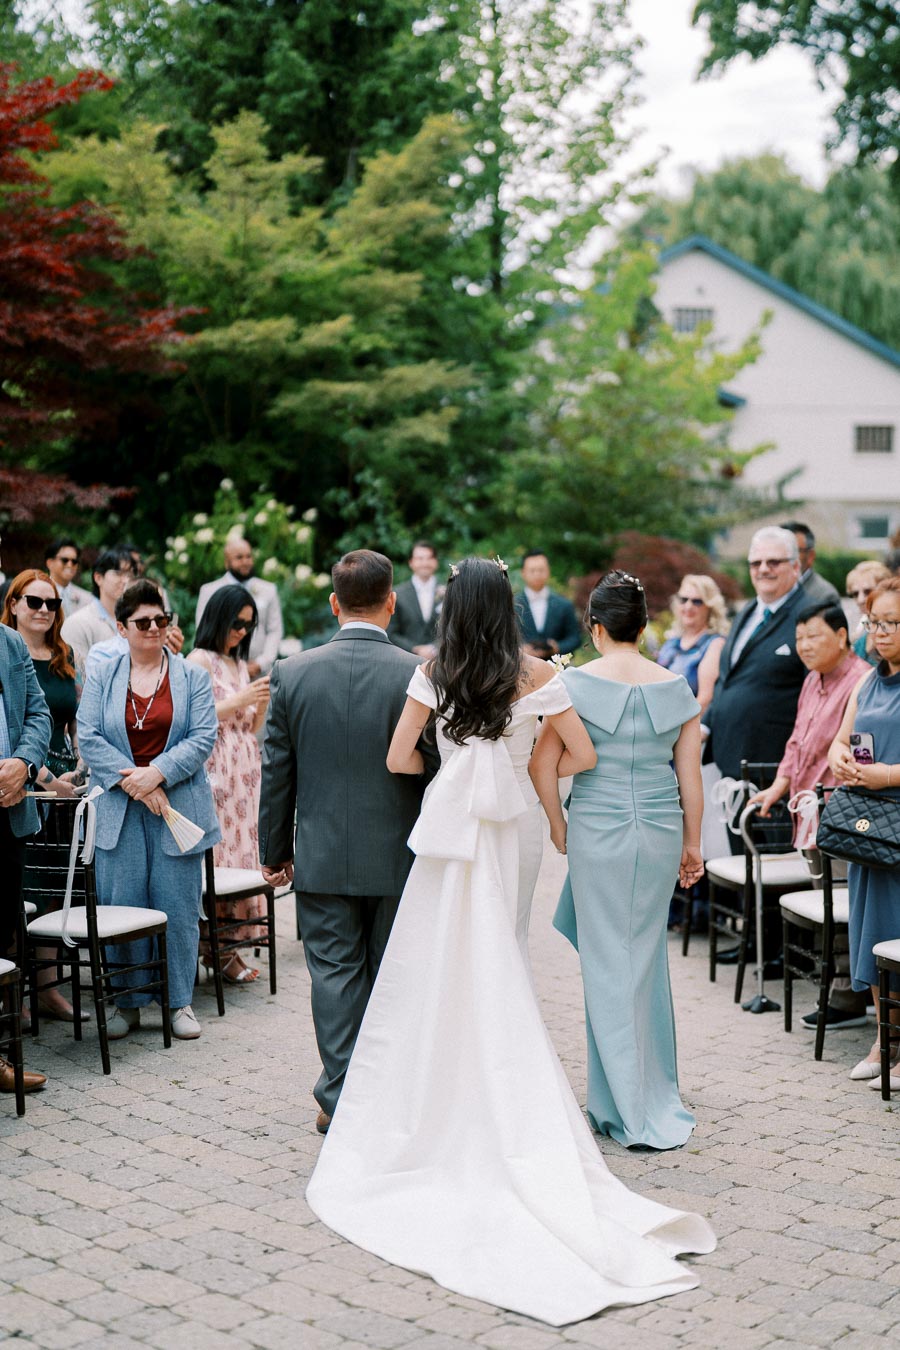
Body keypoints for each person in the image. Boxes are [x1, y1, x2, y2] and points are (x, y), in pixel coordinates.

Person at [305, 557, 714, 1324]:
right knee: (504, 950)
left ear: (453, 606)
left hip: (452, 827)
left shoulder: (433, 671)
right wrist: (521, 766)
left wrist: (451, 768)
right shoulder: (536, 673)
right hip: (514, 829)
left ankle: (441, 1076)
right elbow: (581, 757)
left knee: (438, 956)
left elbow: (399, 758)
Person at [259, 550, 436, 1133]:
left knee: (334, 975)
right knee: (392, 975)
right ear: (391, 602)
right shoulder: (419, 674)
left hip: (324, 853)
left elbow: (277, 770)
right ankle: (389, 1094)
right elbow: (434, 768)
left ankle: (338, 1099)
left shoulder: (292, 671)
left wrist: (273, 850)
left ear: (334, 603)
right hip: (400, 855)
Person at [530, 571, 705, 1151]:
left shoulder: (575, 684)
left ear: (594, 627)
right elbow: (689, 778)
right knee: (645, 957)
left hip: (597, 830)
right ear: (646, 624)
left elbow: (543, 766)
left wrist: (558, 826)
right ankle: (649, 1091)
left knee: (606, 962)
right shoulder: (676, 686)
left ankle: (622, 1106)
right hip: (658, 830)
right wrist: (693, 845)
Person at [77, 579, 220, 1042]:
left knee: (177, 905)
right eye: (143, 622)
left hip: (177, 807)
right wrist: (134, 782)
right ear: (121, 628)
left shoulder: (192, 676)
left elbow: (202, 737)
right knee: (124, 902)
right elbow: (89, 737)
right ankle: (127, 1001)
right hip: (120, 808)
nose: (155, 628)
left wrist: (156, 774)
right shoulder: (103, 674)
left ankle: (178, 1002)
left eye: (163, 619)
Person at [750, 601, 870, 1031]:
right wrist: (778, 787)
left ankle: (848, 996)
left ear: (842, 636)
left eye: (813, 636)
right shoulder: (811, 681)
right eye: (799, 638)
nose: (804, 646)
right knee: (831, 901)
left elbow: (860, 749)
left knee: (843, 904)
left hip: (842, 814)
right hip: (808, 813)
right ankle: (845, 991)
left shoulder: (861, 682)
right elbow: (797, 742)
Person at [1, 570, 88, 1024]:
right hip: (31, 785)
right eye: (33, 601)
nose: (43, 611)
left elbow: (62, 718)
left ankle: (42, 993)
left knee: (52, 892)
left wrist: (74, 765)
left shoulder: (59, 654)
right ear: (13, 602)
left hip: (50, 789)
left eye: (52, 604)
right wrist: (43, 777)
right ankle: (19, 999)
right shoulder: (13, 650)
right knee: (24, 894)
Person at [828, 577, 900, 1089]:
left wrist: (887, 775)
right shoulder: (866, 680)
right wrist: (841, 759)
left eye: (893, 622)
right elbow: (839, 740)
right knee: (870, 934)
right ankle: (885, 1039)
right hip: (867, 826)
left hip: (896, 812)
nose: (882, 631)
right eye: (876, 621)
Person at [705, 527, 810, 847]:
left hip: (775, 772)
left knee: (776, 872)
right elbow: (728, 680)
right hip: (732, 765)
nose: (764, 569)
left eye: (774, 562)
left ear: (795, 566)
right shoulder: (747, 612)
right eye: (756, 563)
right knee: (742, 867)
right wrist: (706, 726)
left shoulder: (809, 614)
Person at [187, 585, 270, 983]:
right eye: (237, 623)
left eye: (248, 626)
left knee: (243, 856)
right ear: (219, 617)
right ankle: (215, 950)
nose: (241, 632)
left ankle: (233, 947)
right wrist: (242, 699)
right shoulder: (199, 660)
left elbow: (251, 724)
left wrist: (263, 700)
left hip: (246, 766)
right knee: (221, 857)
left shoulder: (238, 663)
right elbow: (196, 714)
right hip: (216, 764)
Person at [0, 542, 52, 1094]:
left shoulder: (11, 643)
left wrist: (22, 762)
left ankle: (1, 1056)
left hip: (10, 811)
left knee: (4, 934)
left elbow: (37, 712)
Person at [196, 538, 283, 677]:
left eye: (248, 556)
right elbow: (205, 631)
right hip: (222, 671)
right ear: (226, 562)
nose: (245, 562)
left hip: (260, 673)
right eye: (239, 557)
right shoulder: (209, 591)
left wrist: (261, 663)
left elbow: (274, 630)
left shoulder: (269, 590)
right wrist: (232, 666)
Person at [657, 575, 728, 714]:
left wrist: (672, 725)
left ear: (710, 606)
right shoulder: (672, 642)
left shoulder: (714, 644)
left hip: (688, 726)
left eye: (697, 601)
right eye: (684, 600)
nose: (688, 606)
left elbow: (705, 699)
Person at [61, 546, 136, 676]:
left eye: (129, 574)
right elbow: (79, 678)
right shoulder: (78, 623)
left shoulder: (139, 622)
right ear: (98, 578)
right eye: (118, 573)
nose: (126, 580)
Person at [513, 550, 581, 659]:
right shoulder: (512, 604)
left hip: (556, 669)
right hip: (522, 667)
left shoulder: (564, 604)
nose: (537, 574)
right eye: (532, 570)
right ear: (523, 573)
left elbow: (575, 638)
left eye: (541, 570)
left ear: (548, 571)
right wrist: (520, 649)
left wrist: (557, 647)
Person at [388, 540, 441, 656]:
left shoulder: (449, 592)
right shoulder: (397, 594)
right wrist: (415, 648)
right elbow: (390, 632)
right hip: (406, 660)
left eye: (429, 558)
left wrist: (437, 648)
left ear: (436, 562)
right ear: (411, 562)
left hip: (442, 662)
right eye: (420, 558)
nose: (425, 563)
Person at [780, 521, 839, 607]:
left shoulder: (824, 596)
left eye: (794, 551)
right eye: (780, 551)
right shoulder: (769, 589)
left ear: (810, 556)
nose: (785, 557)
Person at [845, 561, 891, 666]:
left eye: (867, 591)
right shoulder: (861, 629)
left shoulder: (894, 628)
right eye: (855, 594)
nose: (860, 600)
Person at [44, 538, 91, 617]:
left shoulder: (87, 599)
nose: (70, 565)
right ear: (50, 563)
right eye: (64, 560)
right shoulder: (37, 595)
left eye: (74, 561)